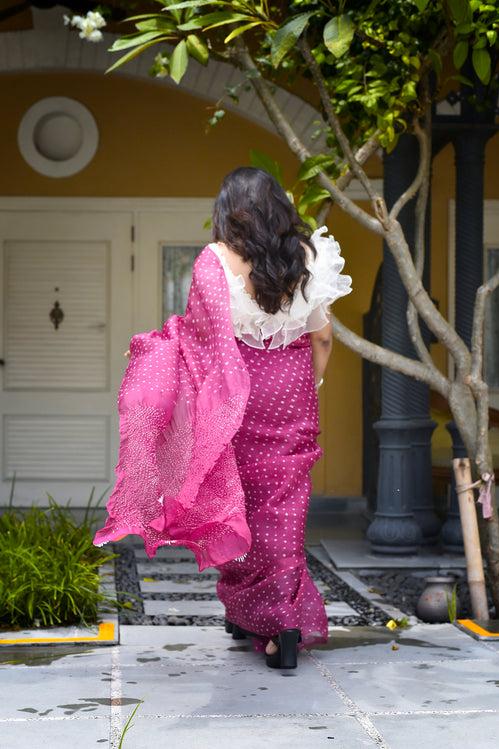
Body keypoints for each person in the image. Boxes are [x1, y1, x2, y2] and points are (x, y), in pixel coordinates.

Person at [93, 166, 352, 670]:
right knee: (283, 507)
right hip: (293, 387)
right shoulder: (309, 256)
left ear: (227, 210)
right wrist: (311, 386)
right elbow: (323, 336)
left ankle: (263, 615)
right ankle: (281, 622)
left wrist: (158, 349)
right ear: (278, 205)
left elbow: (200, 338)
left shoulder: (215, 259)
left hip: (239, 391)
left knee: (238, 502)